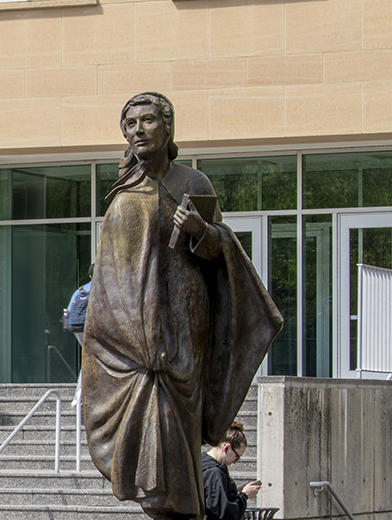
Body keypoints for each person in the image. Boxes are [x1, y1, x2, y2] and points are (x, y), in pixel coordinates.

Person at [82, 92, 282, 520]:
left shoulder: (193, 184)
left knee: (177, 436)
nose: (138, 130)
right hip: (133, 342)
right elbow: (111, 278)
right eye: (131, 123)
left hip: (183, 332)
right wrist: (124, 335)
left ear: (168, 128)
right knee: (150, 454)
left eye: (148, 120)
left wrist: (200, 231)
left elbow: (223, 249)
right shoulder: (123, 192)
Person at [202, 420, 261, 520]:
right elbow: (223, 514)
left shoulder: (200, 463)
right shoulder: (215, 473)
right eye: (237, 457)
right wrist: (244, 495)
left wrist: (235, 492)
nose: (235, 462)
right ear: (227, 448)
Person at [63, 263, 93, 346]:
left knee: (86, 349)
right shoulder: (102, 290)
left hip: (78, 325)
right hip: (93, 326)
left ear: (90, 276)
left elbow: (69, 310)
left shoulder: (80, 291)